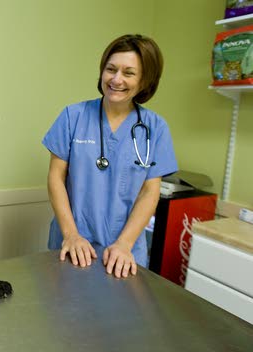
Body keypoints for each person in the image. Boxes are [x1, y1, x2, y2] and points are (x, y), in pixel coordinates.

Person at [42, 34, 177, 279]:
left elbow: (150, 192)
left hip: (124, 252)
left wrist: (124, 244)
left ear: (145, 80)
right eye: (111, 69)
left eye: (128, 73)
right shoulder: (73, 116)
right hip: (71, 244)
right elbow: (55, 178)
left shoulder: (155, 128)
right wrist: (71, 235)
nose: (116, 79)